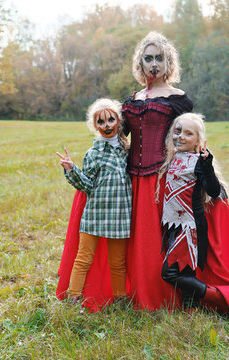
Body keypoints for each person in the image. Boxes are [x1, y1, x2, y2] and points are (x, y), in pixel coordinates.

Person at [57, 31, 193, 311]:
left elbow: (187, 135)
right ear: (140, 64)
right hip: (130, 181)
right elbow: (116, 135)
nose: (154, 64)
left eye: (159, 58)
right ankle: (123, 294)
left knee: (155, 241)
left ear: (168, 62)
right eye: (148, 58)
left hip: (162, 178)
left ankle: (159, 295)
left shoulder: (179, 99)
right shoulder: (131, 101)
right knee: (132, 243)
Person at [55, 98, 131, 305]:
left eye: (110, 120)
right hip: (95, 214)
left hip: (120, 215)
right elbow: (87, 185)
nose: (107, 125)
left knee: (118, 262)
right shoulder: (94, 153)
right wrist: (72, 169)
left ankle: (120, 299)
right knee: (83, 259)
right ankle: (73, 297)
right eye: (101, 122)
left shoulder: (127, 151)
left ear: (118, 121)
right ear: (95, 126)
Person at [158, 113, 229, 312]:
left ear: (199, 140)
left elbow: (214, 191)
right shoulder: (173, 157)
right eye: (178, 131)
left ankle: (211, 295)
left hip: (188, 228)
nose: (180, 136)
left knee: (169, 273)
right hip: (171, 224)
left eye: (188, 134)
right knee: (184, 271)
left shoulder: (198, 161)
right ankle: (191, 308)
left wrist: (206, 165)